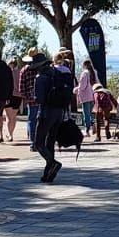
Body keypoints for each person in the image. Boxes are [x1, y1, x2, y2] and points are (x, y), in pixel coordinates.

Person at [31, 48, 73, 182]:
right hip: (59, 112)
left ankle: (53, 163)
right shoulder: (56, 73)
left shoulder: (40, 77)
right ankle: (48, 173)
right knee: (50, 142)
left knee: (38, 143)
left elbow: (39, 99)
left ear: (39, 66)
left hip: (46, 112)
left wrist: (34, 98)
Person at [18, 50, 42, 143]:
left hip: (30, 99)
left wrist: (26, 97)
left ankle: (33, 142)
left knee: (32, 120)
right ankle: (40, 141)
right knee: (40, 121)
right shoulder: (40, 69)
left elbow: (21, 88)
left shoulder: (24, 70)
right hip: (41, 99)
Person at [76, 59, 98, 138]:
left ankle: (87, 129)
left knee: (86, 113)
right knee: (90, 112)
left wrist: (77, 89)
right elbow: (97, 82)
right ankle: (93, 124)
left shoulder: (84, 73)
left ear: (84, 65)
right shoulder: (94, 72)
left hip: (85, 95)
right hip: (93, 94)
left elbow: (82, 86)